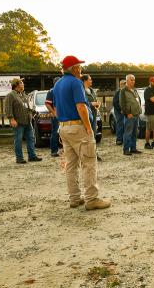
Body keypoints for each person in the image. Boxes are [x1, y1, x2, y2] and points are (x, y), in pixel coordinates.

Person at [52, 55, 111, 210]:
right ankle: (92, 199)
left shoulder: (57, 84)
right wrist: (88, 127)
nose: (81, 69)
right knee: (89, 162)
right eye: (79, 67)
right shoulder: (76, 83)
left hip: (64, 127)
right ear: (75, 68)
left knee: (71, 165)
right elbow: (81, 106)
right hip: (78, 127)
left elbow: (56, 109)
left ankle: (74, 198)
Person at [4, 78, 42, 164]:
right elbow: (8, 108)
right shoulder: (11, 95)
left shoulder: (24, 95)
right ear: (16, 85)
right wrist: (11, 119)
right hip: (18, 122)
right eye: (21, 83)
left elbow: (27, 107)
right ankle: (19, 158)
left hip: (28, 121)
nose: (23, 85)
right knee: (18, 140)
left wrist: (32, 113)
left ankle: (32, 156)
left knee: (31, 138)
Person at [82, 74, 103, 161]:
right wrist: (91, 104)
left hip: (93, 116)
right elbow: (82, 103)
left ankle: (94, 154)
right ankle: (85, 155)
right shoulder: (81, 91)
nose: (91, 81)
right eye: (90, 80)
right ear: (85, 81)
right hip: (85, 117)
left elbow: (94, 100)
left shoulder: (91, 90)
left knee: (93, 136)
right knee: (85, 137)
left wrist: (97, 104)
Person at [120, 74, 142, 155]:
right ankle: (126, 150)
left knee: (134, 133)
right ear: (127, 80)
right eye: (131, 80)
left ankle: (133, 148)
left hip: (136, 114)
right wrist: (127, 113)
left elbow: (137, 100)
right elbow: (122, 104)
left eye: (134, 80)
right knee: (128, 133)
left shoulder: (134, 90)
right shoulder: (123, 91)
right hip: (130, 115)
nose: (133, 81)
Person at [45, 77, 61, 157]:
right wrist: (54, 112)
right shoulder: (51, 91)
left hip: (64, 114)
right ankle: (54, 150)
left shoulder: (62, 90)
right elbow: (47, 104)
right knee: (55, 132)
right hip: (56, 115)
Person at [112, 80, 126, 145]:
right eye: (124, 83)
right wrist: (120, 110)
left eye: (125, 83)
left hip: (124, 111)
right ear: (121, 84)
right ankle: (119, 140)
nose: (125, 84)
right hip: (118, 111)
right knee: (120, 124)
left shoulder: (125, 91)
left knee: (124, 125)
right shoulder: (118, 92)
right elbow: (115, 102)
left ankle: (124, 139)